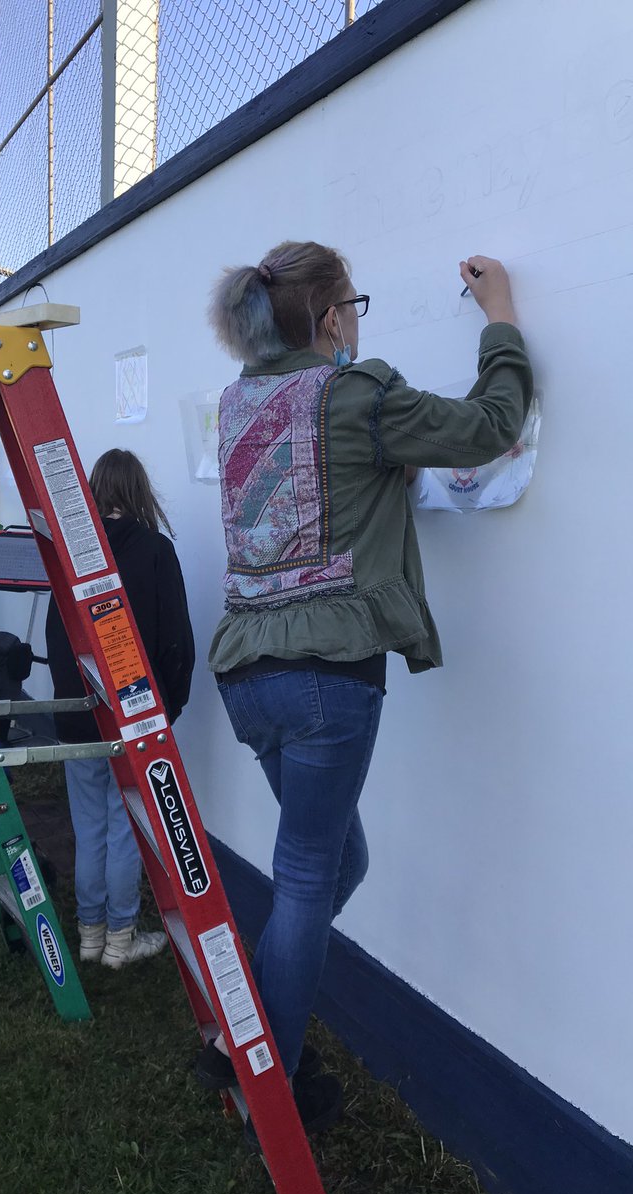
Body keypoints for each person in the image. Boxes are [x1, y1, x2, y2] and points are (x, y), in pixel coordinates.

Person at [201, 242, 533, 1137]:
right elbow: (489, 425)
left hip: (246, 676)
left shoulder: (239, 405)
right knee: (311, 876)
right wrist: (500, 314)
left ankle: (248, 1035)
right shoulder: (356, 394)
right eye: (356, 303)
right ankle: (270, 1075)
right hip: (327, 676)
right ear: (333, 316)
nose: (359, 318)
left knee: (334, 865)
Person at [45, 449, 196, 969]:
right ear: (139, 491)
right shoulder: (154, 550)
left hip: (75, 715)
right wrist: (169, 706)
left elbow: (57, 635)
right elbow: (176, 640)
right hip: (136, 718)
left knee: (88, 828)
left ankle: (90, 935)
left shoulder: (70, 553)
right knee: (127, 826)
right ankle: (120, 939)